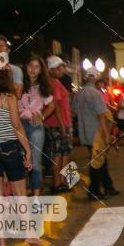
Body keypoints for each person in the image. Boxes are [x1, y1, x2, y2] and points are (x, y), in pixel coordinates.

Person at [0, 69, 42, 246]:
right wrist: (28, 150)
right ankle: (29, 233)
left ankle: (1, 240)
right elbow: (16, 125)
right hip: (8, 147)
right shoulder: (8, 97)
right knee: (20, 193)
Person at [74, 69, 119, 200]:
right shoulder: (96, 93)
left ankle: (108, 187)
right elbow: (101, 115)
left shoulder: (79, 93)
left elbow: (75, 111)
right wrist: (106, 134)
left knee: (101, 160)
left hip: (85, 132)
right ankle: (94, 192)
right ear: (96, 78)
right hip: (97, 133)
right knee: (97, 163)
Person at [18, 55, 56, 197]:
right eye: (30, 66)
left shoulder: (44, 87)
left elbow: (52, 105)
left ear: (41, 70)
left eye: (37, 67)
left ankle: (35, 196)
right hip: (19, 125)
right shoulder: (18, 84)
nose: (33, 70)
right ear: (25, 67)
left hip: (35, 127)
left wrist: (42, 116)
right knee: (20, 159)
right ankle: (23, 192)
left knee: (36, 160)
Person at [45, 56, 73, 193]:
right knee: (59, 153)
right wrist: (63, 125)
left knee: (62, 153)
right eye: (59, 67)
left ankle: (62, 182)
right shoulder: (54, 83)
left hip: (60, 123)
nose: (62, 69)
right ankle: (58, 183)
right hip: (58, 124)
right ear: (52, 69)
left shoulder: (55, 82)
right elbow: (55, 105)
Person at [0, 34, 23, 98]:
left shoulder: (16, 70)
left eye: (1, 46)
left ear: (8, 51)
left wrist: (9, 75)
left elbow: (18, 95)